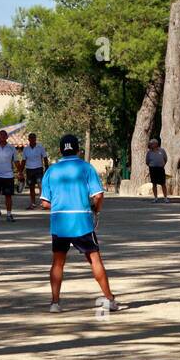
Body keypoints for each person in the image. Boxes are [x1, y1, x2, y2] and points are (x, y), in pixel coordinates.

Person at [40, 133, 119, 313]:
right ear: (78, 149)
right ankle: (109, 298)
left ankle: (55, 303)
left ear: (60, 150)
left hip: (59, 221)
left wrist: (60, 206)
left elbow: (45, 202)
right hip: (81, 219)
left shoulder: (51, 171)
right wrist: (96, 211)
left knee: (58, 262)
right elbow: (98, 195)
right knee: (94, 259)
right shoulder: (86, 168)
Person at [20, 133, 49, 209]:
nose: (32, 139)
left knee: (40, 186)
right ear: (28, 139)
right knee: (31, 187)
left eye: (34, 138)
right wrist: (20, 171)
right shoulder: (26, 149)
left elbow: (45, 158)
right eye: (31, 138)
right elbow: (23, 161)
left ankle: (43, 203)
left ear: (35, 139)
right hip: (29, 170)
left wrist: (46, 168)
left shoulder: (40, 148)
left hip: (38, 169)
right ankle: (33, 204)